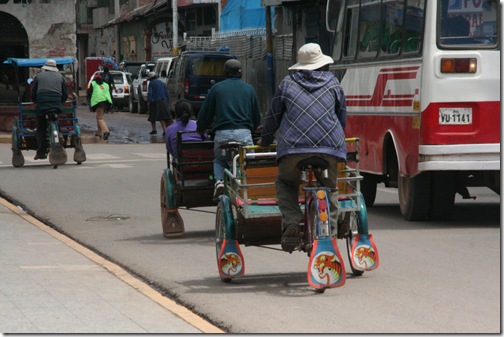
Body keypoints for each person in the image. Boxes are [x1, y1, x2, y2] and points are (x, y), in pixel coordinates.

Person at [258, 43, 347, 253]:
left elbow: (273, 116)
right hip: (330, 147)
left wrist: (265, 139)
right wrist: (335, 139)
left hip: (293, 149)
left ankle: (291, 221)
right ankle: (331, 233)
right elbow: (341, 116)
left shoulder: (287, 84)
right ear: (322, 64)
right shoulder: (333, 83)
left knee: (286, 183)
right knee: (330, 187)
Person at [196, 59, 261, 198]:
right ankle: (250, 184)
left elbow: (205, 113)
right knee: (249, 161)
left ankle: (219, 182)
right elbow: (256, 116)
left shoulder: (216, 88)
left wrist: (201, 127)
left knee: (219, 160)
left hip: (222, 134)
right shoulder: (249, 89)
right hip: (244, 134)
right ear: (241, 73)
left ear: (225, 73)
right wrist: (254, 126)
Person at [31, 59, 68, 160]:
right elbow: (65, 94)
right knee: (56, 120)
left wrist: (35, 101)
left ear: (45, 68)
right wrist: (61, 101)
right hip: (56, 105)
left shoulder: (38, 77)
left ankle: (41, 152)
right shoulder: (60, 77)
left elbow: (34, 94)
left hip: (42, 105)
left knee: (41, 127)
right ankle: (59, 133)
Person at [87, 73, 112, 140]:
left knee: (100, 117)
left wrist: (89, 100)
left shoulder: (93, 83)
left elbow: (89, 93)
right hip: (106, 102)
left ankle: (105, 131)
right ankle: (99, 132)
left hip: (98, 102)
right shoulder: (106, 84)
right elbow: (110, 92)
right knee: (99, 116)